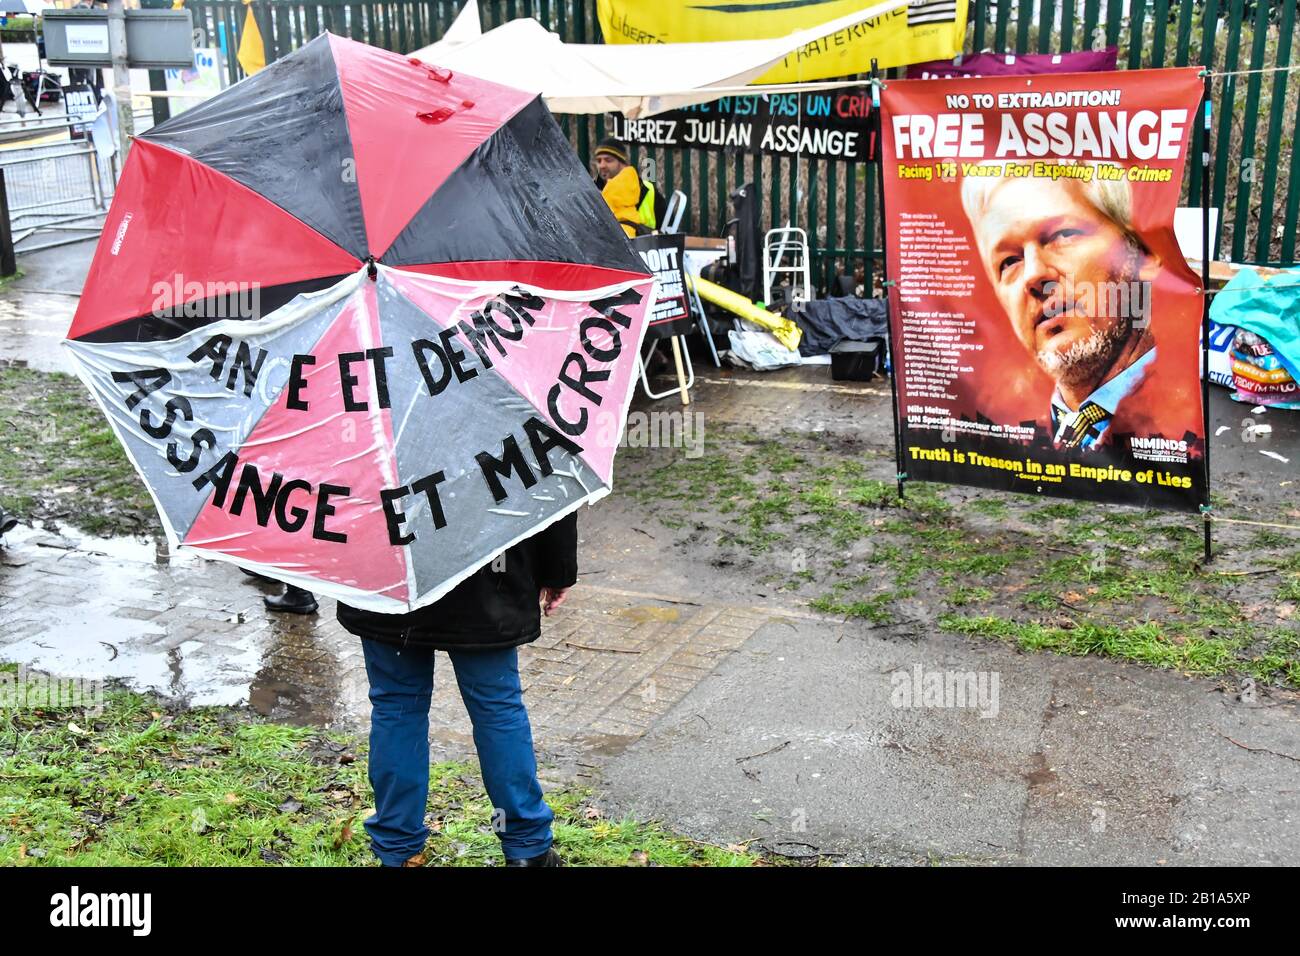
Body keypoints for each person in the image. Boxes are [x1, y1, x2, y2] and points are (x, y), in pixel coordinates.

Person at [334, 511, 578, 868]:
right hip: (486, 572)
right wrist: (557, 568)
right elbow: (546, 467)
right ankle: (526, 848)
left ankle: (399, 850)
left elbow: (337, 487)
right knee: (496, 707)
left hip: (388, 563)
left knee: (397, 706)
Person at [960, 168, 1193, 451]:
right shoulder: (1012, 433)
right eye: (1009, 262)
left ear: (1141, 252)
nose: (1033, 275)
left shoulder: (1183, 419)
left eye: (1063, 234)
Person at [593, 138, 666, 237]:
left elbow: (667, 234)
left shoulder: (648, 190)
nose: (602, 165)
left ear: (622, 163)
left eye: (608, 160)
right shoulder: (592, 191)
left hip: (645, 247)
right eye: (599, 161)